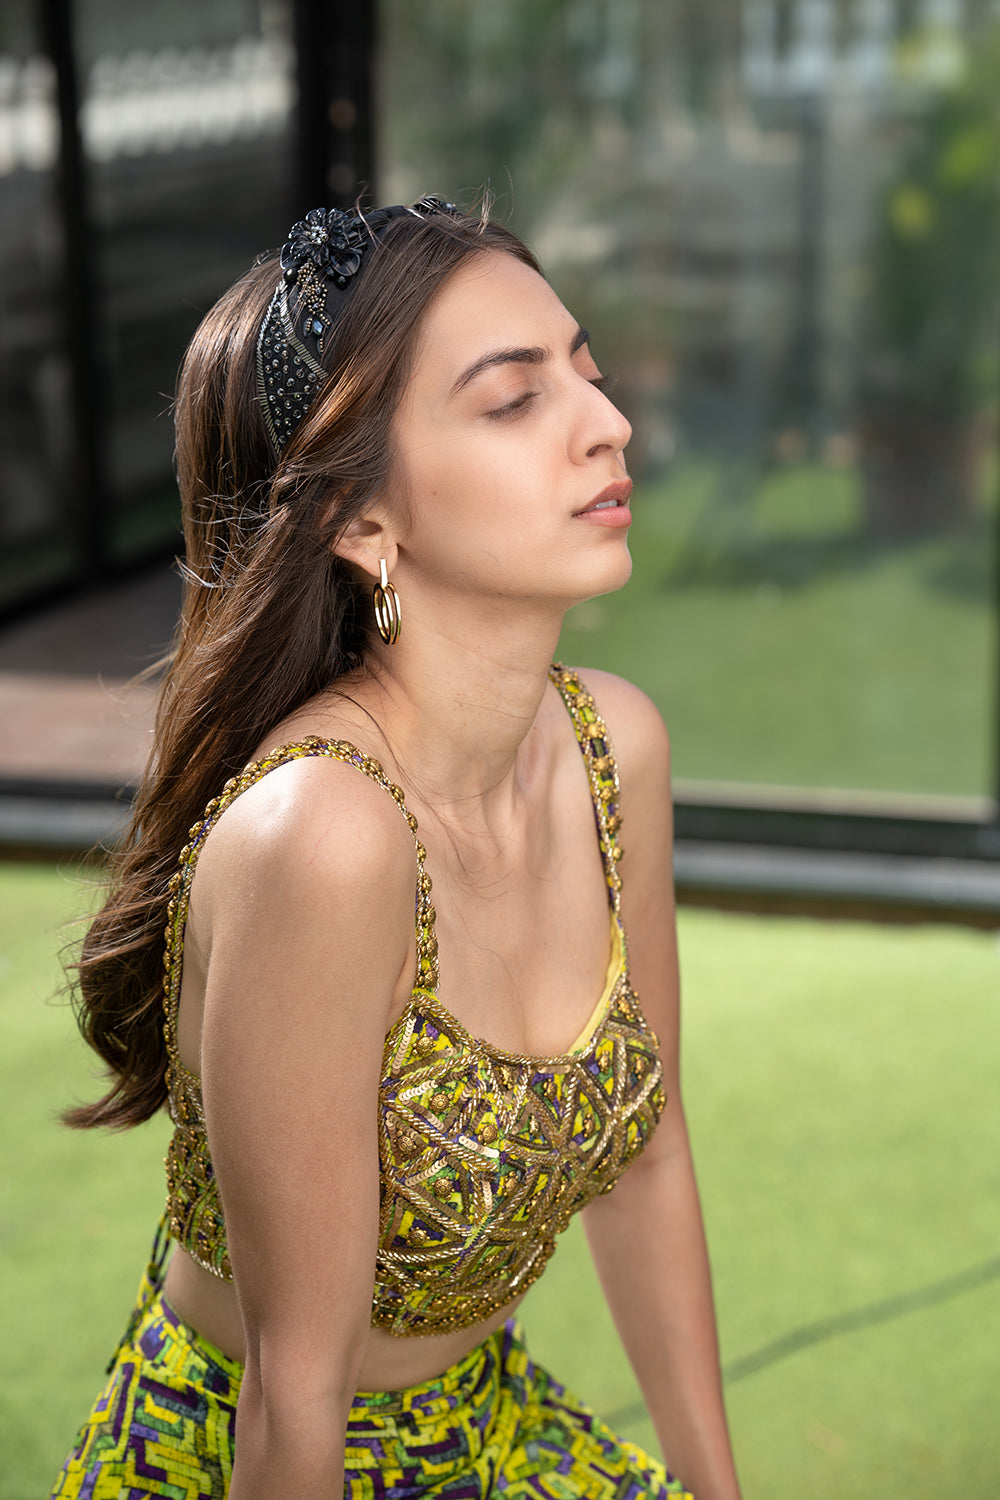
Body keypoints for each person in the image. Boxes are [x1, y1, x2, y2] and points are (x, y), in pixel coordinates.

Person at [50, 196, 743, 1500]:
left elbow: (647, 1161)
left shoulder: (615, 754)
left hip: (489, 1422)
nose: (609, 423)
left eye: (585, 372)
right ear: (364, 521)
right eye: (513, 400)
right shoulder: (324, 836)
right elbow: (293, 1391)